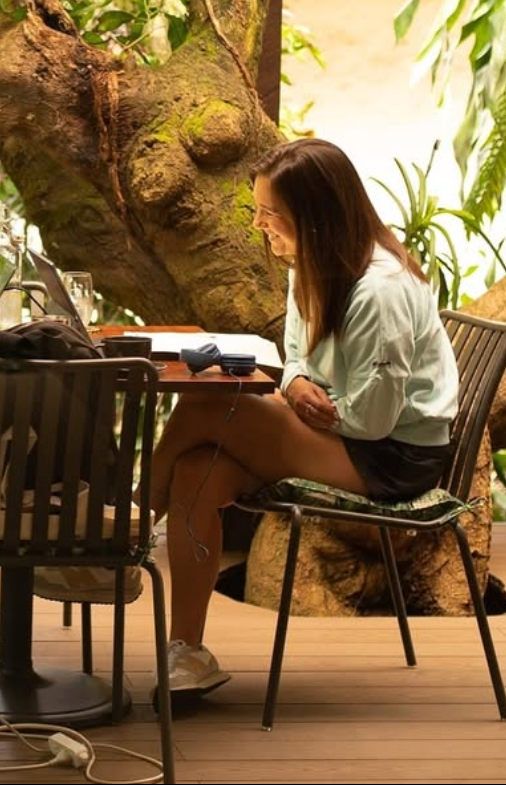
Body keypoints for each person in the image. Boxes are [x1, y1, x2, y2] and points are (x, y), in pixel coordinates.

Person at [150, 138, 459, 699]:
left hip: (391, 454)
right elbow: (294, 355)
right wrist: (293, 384)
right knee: (198, 469)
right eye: (259, 210)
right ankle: (187, 653)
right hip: (343, 426)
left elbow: (375, 420)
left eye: (272, 213)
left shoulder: (378, 292)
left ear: (315, 218)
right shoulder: (311, 267)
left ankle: (124, 530)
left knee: (202, 402)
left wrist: (295, 402)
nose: (260, 225)